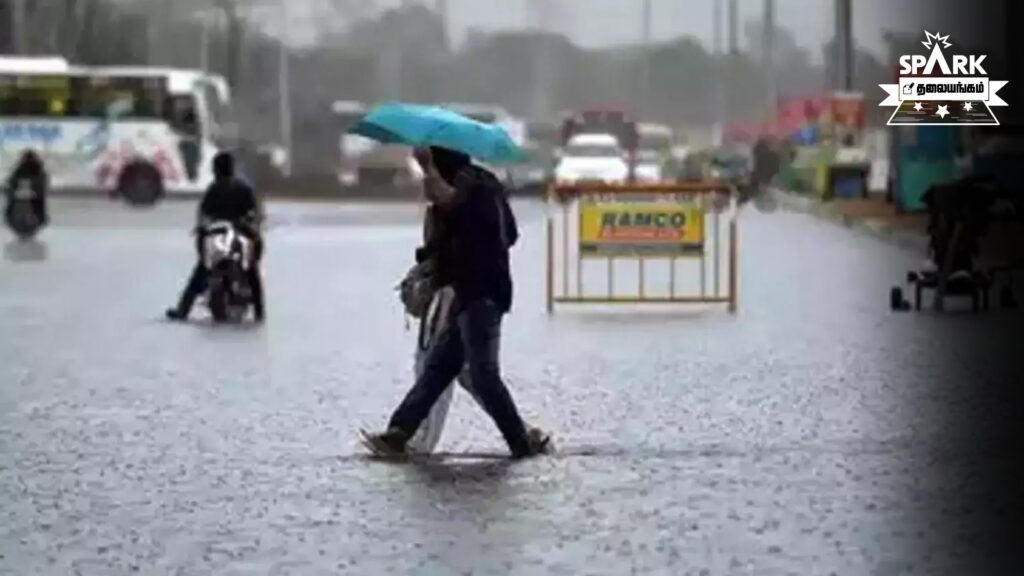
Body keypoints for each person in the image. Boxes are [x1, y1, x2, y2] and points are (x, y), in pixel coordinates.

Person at [363, 146, 550, 459]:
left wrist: (427, 169)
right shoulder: (478, 186)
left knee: (482, 374)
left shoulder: (475, 189)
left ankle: (521, 442)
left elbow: (454, 204)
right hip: (466, 293)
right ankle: (398, 433)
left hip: (483, 294)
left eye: (433, 169)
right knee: (437, 370)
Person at [165, 152, 265, 322]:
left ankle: (183, 309)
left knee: (205, 269)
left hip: (233, 234)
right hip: (227, 234)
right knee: (247, 270)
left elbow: (204, 215)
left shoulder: (224, 189)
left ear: (216, 170)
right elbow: (255, 213)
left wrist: (251, 225)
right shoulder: (228, 189)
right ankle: (259, 311)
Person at [4, 150, 49, 226]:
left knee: (39, 199)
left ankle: (9, 215)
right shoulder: (22, 168)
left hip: (30, 193)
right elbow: (12, 180)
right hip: (25, 193)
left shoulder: (36, 169)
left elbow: (12, 180)